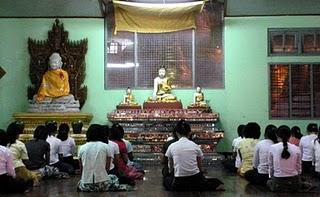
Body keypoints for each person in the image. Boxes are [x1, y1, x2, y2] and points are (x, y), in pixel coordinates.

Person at [164, 120, 224, 191]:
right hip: (195, 179)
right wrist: (202, 175)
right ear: (189, 133)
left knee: (166, 181)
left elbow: (170, 166)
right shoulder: (195, 146)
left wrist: (172, 175)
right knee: (215, 181)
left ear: (176, 133)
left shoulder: (172, 146)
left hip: (179, 182)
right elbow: (199, 166)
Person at [77, 124, 132, 192]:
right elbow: (107, 169)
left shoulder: (82, 148)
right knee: (114, 177)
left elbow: (82, 169)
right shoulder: (105, 147)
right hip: (102, 184)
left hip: (85, 185)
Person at [267, 125, 313, 192]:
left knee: (268, 182)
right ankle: (301, 184)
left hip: (278, 184)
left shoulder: (272, 148)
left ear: (277, 135)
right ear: (290, 136)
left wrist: (271, 176)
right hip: (294, 183)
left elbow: (271, 167)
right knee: (298, 180)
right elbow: (299, 168)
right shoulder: (296, 148)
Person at [6, 122, 41, 187]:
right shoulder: (20, 144)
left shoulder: (4, 143)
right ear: (18, 133)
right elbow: (26, 162)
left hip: (6, 168)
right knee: (38, 174)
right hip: (18, 167)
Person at [0, 129, 30, 193]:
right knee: (22, 184)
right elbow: (10, 170)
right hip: (2, 178)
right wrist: (14, 177)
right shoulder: (5, 150)